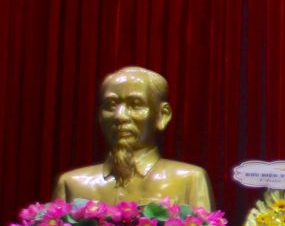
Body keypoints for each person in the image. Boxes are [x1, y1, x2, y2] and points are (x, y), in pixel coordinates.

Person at [55, 67, 212, 209]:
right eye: (110, 105)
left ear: (162, 115)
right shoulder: (71, 184)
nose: (119, 116)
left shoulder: (189, 180)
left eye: (135, 105)